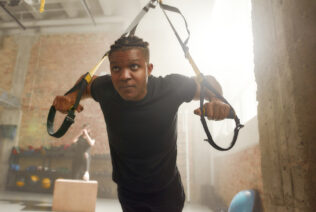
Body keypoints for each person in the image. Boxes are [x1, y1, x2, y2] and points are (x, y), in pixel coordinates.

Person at [53, 36, 230, 212]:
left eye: (134, 66)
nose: (124, 76)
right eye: (116, 68)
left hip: (166, 191)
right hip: (128, 191)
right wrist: (71, 96)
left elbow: (208, 83)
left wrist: (218, 100)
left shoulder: (170, 88)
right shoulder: (106, 88)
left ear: (149, 69)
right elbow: (87, 81)